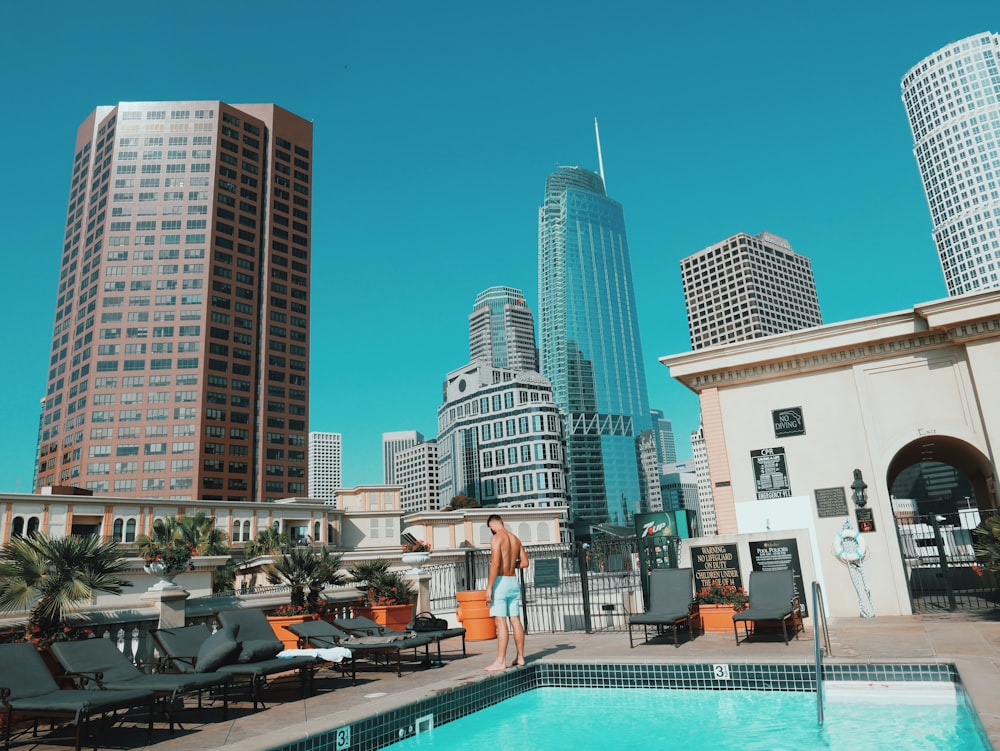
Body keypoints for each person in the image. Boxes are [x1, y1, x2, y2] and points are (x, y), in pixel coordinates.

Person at [484, 514, 529, 671]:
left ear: (492, 526)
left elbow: (495, 563)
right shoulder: (515, 539)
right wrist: (511, 564)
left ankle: (501, 661)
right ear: (502, 522)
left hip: (501, 583)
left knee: (500, 621)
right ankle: (521, 657)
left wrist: (489, 587)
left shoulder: (497, 538)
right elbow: (524, 563)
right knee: (515, 620)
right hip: (513, 582)